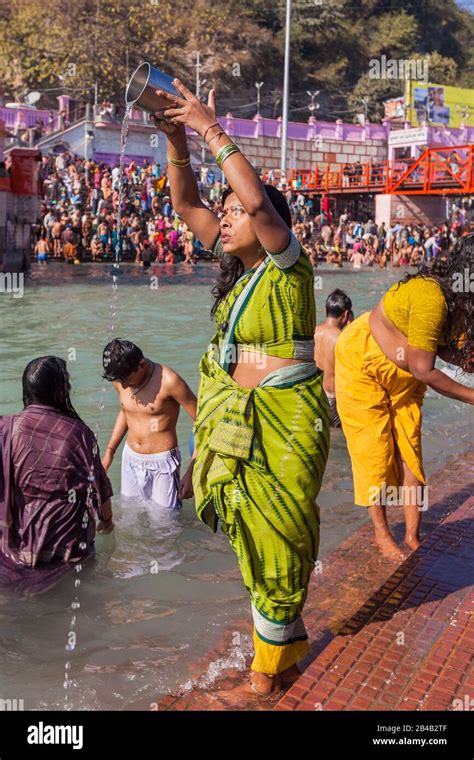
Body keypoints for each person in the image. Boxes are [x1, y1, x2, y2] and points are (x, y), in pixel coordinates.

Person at [153, 77, 329, 700]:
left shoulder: (289, 264)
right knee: (253, 536)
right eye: (222, 213)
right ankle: (282, 645)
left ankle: (264, 672)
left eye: (232, 211)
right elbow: (184, 203)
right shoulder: (239, 271)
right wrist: (176, 137)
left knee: (279, 534)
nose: (224, 218)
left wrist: (209, 127)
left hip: (287, 423)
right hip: (240, 421)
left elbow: (255, 206)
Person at [335, 235, 474, 561]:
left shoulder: (462, 304)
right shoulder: (431, 296)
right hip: (363, 364)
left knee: (410, 453)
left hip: (406, 376)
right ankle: (382, 534)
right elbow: (425, 369)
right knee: (375, 453)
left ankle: (413, 536)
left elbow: (456, 355)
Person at [0, 357, 113, 568]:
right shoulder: (79, 434)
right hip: (66, 550)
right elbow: (100, 491)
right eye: (67, 383)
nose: (70, 387)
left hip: (15, 547)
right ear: (59, 391)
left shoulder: (6, 428)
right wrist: (107, 522)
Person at [101, 339, 197, 508]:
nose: (122, 385)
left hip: (163, 464)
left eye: (126, 380)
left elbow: (202, 422)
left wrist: (192, 471)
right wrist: (109, 452)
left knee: (164, 524)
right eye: (119, 380)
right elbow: (125, 411)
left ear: (142, 365)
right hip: (130, 458)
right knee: (130, 517)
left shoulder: (170, 382)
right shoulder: (120, 379)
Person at [314, 290, 353, 427]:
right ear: (346, 314)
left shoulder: (312, 332)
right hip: (333, 403)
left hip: (312, 398)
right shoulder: (343, 338)